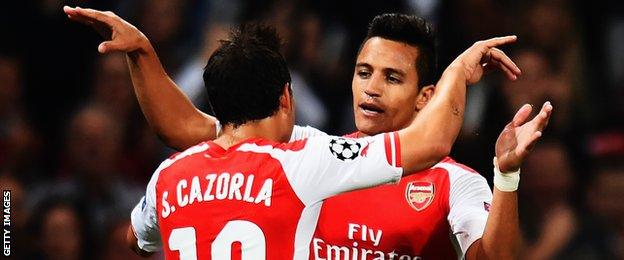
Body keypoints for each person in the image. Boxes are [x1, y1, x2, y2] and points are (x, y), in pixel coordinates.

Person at [64, 6, 548, 259]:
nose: (371, 89)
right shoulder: (304, 153)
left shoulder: (455, 182)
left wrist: (506, 176)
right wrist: (145, 54)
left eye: (392, 77)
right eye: (363, 72)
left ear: (428, 97)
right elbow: (196, 128)